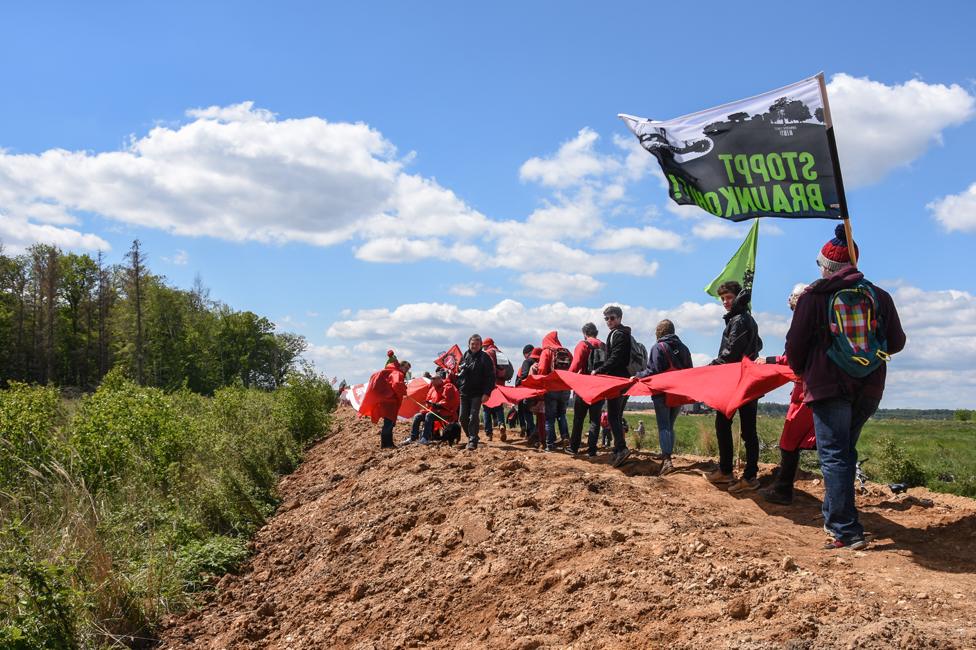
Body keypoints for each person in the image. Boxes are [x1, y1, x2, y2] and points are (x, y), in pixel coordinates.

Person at [786, 226, 905, 549]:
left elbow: (795, 346)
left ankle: (845, 530)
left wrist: (806, 371)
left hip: (828, 386)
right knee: (845, 452)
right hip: (869, 388)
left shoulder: (814, 297)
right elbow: (897, 342)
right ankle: (835, 516)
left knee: (835, 456)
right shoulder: (880, 296)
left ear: (827, 267)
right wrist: (864, 357)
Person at [758, 284, 816, 505]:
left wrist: (770, 361)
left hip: (808, 393)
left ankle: (783, 490)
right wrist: (771, 360)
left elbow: (792, 358)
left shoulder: (805, 327)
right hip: (823, 390)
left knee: (789, 442)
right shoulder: (823, 323)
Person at [704, 281, 763, 493]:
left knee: (734, 427)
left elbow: (731, 354)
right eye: (723, 299)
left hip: (737, 382)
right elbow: (759, 344)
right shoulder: (744, 319)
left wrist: (709, 368)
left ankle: (743, 475)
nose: (726, 302)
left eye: (729, 297)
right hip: (745, 382)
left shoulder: (739, 320)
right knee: (739, 428)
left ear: (738, 297)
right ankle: (734, 472)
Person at [633, 319, 693, 475]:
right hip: (678, 393)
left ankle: (667, 460)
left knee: (664, 426)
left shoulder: (658, 347)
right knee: (670, 426)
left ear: (659, 332)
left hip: (662, 394)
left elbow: (652, 371)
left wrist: (638, 376)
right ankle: (667, 454)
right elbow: (690, 372)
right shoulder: (684, 348)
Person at [591, 305, 633, 467]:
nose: (609, 321)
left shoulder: (619, 335)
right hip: (625, 380)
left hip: (617, 381)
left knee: (613, 416)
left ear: (620, 318)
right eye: (606, 318)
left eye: (612, 318)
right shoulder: (623, 333)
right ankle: (617, 448)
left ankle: (621, 449)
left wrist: (599, 370)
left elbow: (616, 358)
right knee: (616, 415)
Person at [567, 322, 606, 457]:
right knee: (595, 420)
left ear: (584, 333)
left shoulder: (583, 345)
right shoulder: (603, 346)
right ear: (596, 332)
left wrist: (567, 378)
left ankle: (574, 448)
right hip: (599, 387)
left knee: (578, 419)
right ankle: (592, 450)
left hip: (583, 387)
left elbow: (575, 364)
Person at [360, 350, 408, 449]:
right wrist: (404, 391)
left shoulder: (391, 371)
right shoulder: (397, 373)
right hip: (390, 402)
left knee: (388, 423)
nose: (406, 370)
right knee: (389, 424)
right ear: (401, 366)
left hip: (386, 401)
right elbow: (397, 384)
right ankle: (387, 444)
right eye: (406, 367)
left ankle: (387, 444)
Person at [456, 334, 496, 450]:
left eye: (477, 344)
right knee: (463, 417)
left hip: (478, 392)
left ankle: (473, 440)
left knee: (474, 416)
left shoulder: (485, 357)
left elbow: (490, 377)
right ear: (469, 344)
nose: (474, 346)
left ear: (481, 345)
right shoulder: (465, 355)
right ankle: (471, 436)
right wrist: (459, 370)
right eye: (472, 344)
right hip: (464, 391)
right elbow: (460, 370)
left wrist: (487, 393)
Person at [536, 331, 571, 451]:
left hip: (551, 389)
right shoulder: (566, 351)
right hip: (565, 388)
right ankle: (565, 437)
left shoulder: (547, 351)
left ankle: (549, 445)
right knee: (562, 415)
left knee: (549, 418)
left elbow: (541, 370)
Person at [405, 369, 459, 445]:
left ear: (439, 379)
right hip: (434, 410)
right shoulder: (432, 389)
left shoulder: (448, 387)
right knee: (417, 416)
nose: (431, 381)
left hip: (446, 411)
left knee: (429, 416)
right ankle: (413, 437)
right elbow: (428, 399)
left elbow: (449, 401)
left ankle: (425, 438)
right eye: (431, 379)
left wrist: (437, 404)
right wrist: (429, 404)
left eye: (433, 379)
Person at [481, 338, 508, 442]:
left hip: (489, 384)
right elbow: (504, 372)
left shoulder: (487, 354)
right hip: (500, 385)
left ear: (486, 345)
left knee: (486, 409)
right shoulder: (500, 353)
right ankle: (501, 424)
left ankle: (489, 434)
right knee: (499, 408)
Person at [515, 344, 536, 438]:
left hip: (525, 391)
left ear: (526, 354)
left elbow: (522, 377)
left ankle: (530, 430)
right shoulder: (540, 360)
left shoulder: (527, 362)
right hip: (540, 391)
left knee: (525, 411)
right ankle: (536, 433)